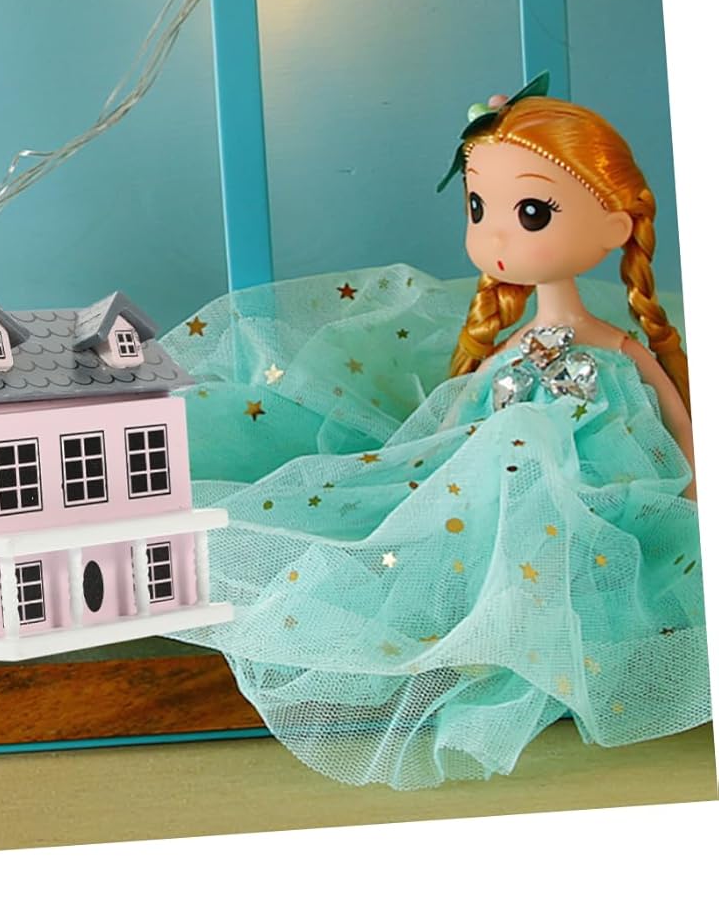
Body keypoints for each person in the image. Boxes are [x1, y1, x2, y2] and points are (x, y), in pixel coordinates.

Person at [167, 77, 706, 788]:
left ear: (614, 227)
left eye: (531, 212)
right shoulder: (508, 349)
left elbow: (677, 419)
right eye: (479, 208)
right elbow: (455, 425)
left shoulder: (617, 348)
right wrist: (428, 460)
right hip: (498, 490)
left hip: (602, 492)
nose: (494, 235)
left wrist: (695, 492)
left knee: (547, 489)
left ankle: (540, 630)